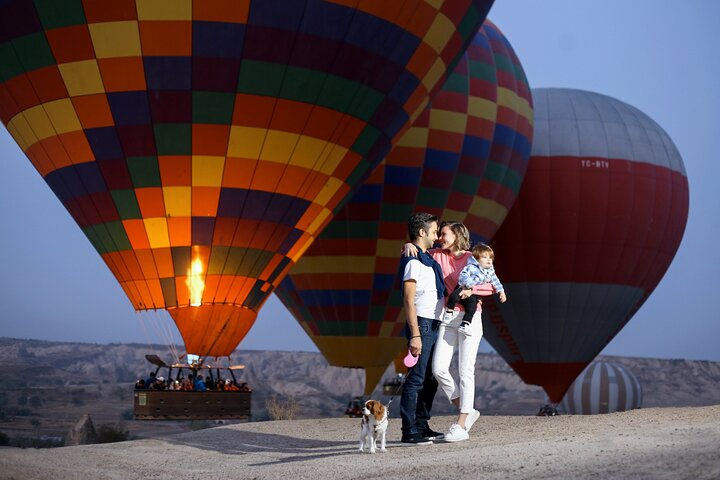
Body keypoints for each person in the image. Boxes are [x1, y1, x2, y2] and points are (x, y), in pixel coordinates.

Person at [404, 221, 487, 442]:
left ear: (458, 234)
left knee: (465, 370)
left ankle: (461, 422)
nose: (440, 237)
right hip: (447, 317)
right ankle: (466, 408)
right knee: (438, 368)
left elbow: (490, 285)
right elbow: (419, 252)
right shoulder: (437, 255)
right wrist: (407, 246)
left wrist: (472, 289)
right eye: (438, 233)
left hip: (471, 317)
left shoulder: (472, 257)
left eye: (444, 233)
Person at [398, 212, 446, 445]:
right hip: (423, 324)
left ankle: (421, 424)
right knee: (416, 379)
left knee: (432, 377)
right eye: (435, 231)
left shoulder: (428, 258)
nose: (437, 236)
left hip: (436, 323)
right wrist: (415, 334)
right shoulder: (412, 261)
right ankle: (409, 431)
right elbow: (408, 299)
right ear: (422, 232)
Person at [443, 243, 507, 336]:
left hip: (473, 295)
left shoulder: (490, 272)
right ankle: (449, 312)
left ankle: (465, 324)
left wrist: (501, 292)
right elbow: (462, 276)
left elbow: (495, 282)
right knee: (453, 297)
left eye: (491, 257)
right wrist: (469, 286)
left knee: (472, 308)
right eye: (485, 257)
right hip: (462, 288)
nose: (489, 259)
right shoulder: (471, 267)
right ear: (476, 259)